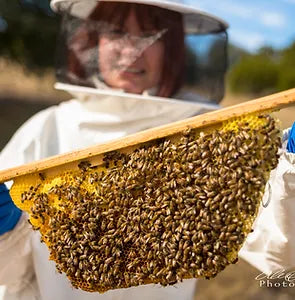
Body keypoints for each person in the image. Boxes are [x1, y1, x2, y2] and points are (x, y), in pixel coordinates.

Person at [0, 1, 294, 299]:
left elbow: (280, 253)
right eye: (116, 32)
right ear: (93, 40)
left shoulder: (207, 133)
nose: (131, 50)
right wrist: (6, 235)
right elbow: (10, 275)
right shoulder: (46, 129)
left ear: (172, 48)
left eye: (150, 34)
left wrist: (291, 173)